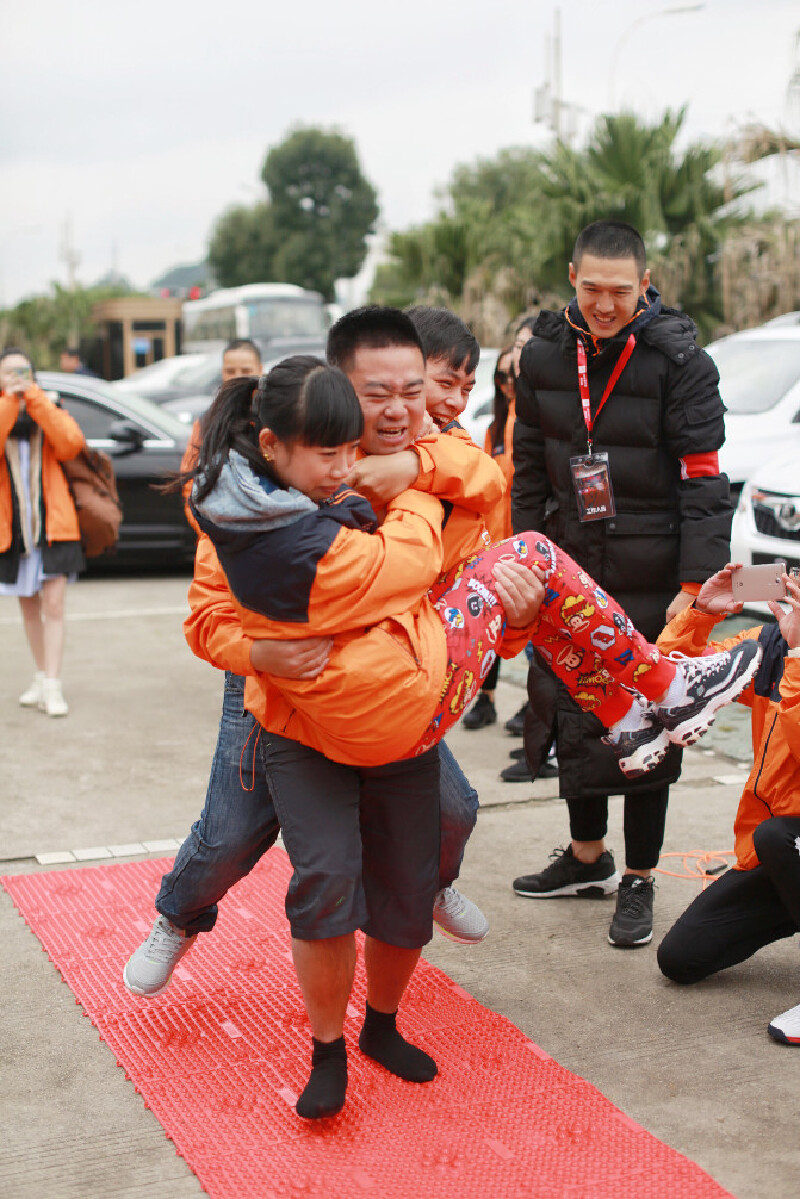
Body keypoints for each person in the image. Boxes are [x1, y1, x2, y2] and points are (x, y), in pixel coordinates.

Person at [189, 352, 755, 1120]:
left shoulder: (412, 461)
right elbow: (222, 616)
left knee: (412, 877)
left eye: (423, 391)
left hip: (409, 707)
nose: (404, 411)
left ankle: (381, 1023)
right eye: (384, 395)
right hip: (307, 727)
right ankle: (321, 1045)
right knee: (320, 880)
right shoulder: (259, 521)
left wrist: (431, 487)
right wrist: (261, 653)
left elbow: (485, 503)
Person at [510, 219, 734, 950]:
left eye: (620, 291)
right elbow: (527, 470)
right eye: (591, 289)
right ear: (571, 277)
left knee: (648, 722)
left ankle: (638, 875)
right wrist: (523, 559)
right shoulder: (542, 355)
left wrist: (694, 583)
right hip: (567, 565)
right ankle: (587, 856)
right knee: (574, 706)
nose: (605, 305)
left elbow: (704, 481)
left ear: (645, 283)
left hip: (653, 569)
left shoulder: (680, 361)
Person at [655, 566, 800, 1045]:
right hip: (782, 854)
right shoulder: (772, 644)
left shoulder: (791, 650)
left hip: (786, 841)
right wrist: (702, 614)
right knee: (681, 958)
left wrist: (799, 657)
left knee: (778, 836)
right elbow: (672, 680)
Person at [0, 348, 86, 716]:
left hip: (54, 526)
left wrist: (33, 397)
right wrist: (9, 400)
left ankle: (52, 684)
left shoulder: (48, 405)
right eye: (8, 372)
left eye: (22, 371)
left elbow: (70, 444)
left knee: (53, 605)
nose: (16, 377)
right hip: (14, 531)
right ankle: (40, 675)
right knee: (29, 608)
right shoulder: (3, 409)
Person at [462, 346, 515, 732]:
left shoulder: (527, 423)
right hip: (492, 540)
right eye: (502, 376)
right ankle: (487, 697)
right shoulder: (494, 428)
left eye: (515, 375)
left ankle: (533, 706)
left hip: (524, 537)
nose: (509, 383)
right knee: (489, 622)